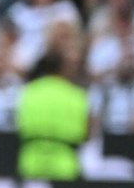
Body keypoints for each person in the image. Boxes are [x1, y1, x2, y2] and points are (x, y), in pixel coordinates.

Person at [15, 50, 89, 180]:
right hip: (65, 163)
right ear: (63, 68)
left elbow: (19, 125)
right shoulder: (77, 95)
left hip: (31, 161)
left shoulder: (28, 92)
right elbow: (85, 133)